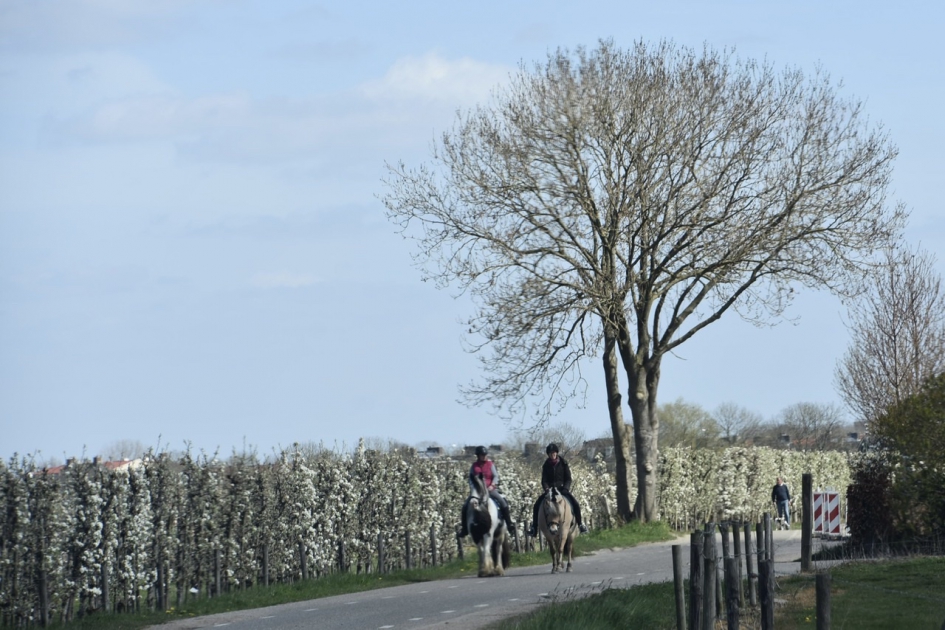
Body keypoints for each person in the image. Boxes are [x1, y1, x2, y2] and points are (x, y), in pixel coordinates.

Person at [527, 443, 588, 537]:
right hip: (550, 491)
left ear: (557, 453)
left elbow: (568, 478)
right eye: (551, 453)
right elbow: (544, 480)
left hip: (562, 489)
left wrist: (566, 488)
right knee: (536, 505)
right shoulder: (546, 465)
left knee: (575, 503)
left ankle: (580, 525)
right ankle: (534, 528)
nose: (553, 455)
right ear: (548, 454)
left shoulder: (564, 464)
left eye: (554, 453)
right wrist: (546, 489)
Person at [458, 446, 516, 537]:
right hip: (478, 491)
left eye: (485, 455)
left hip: (490, 489)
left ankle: (509, 524)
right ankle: (464, 529)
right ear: (478, 456)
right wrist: (474, 488)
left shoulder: (490, 464)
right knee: (465, 506)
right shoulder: (474, 466)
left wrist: (492, 485)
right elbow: (471, 479)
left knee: (502, 501)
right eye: (482, 455)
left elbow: (495, 476)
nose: (484, 456)